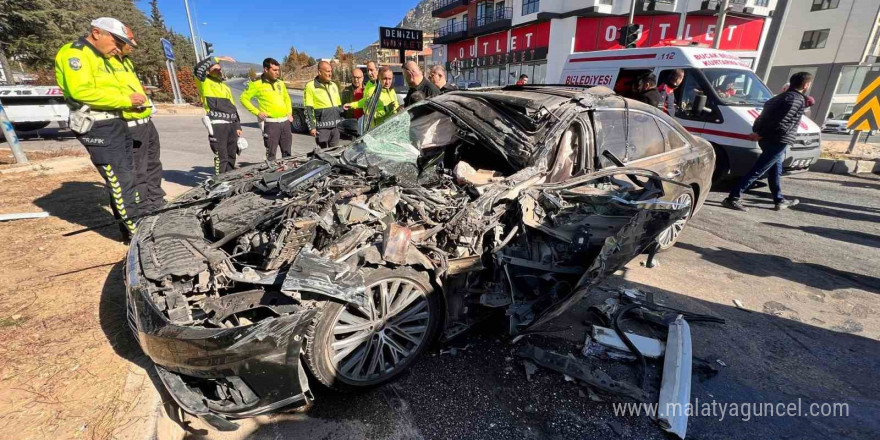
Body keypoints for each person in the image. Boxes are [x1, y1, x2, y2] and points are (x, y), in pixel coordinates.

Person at [55, 17, 145, 241]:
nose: (117, 47)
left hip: (116, 122)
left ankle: (130, 229)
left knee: (126, 177)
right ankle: (137, 234)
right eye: (115, 41)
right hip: (98, 124)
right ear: (97, 33)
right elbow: (81, 92)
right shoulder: (75, 53)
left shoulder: (102, 56)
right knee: (120, 180)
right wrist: (125, 99)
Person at [721, 72, 812, 212]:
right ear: (806, 85)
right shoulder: (796, 100)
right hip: (778, 139)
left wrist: (758, 132)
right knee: (758, 169)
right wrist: (760, 134)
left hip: (769, 138)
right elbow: (782, 122)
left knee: (775, 169)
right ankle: (733, 198)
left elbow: (762, 117)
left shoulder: (778, 98)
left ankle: (779, 199)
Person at [111, 26, 165, 212]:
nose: (133, 44)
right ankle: (141, 211)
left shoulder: (126, 62)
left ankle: (156, 204)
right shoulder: (105, 63)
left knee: (153, 166)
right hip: (128, 125)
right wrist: (126, 102)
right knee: (136, 172)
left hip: (145, 122)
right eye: (129, 40)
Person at [193, 55, 242, 174]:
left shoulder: (225, 87)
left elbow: (232, 108)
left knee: (231, 155)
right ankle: (218, 182)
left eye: (220, 69)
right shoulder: (203, 82)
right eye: (215, 69)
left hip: (231, 125)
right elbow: (197, 69)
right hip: (217, 124)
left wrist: (237, 125)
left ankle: (228, 181)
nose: (219, 71)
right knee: (222, 156)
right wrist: (217, 59)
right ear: (208, 71)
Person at [240, 58, 293, 161]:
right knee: (271, 154)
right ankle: (272, 174)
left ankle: (288, 174)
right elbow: (243, 99)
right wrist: (257, 112)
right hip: (271, 124)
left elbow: (287, 98)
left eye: (278, 70)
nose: (278, 73)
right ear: (266, 69)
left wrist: (289, 113)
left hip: (285, 122)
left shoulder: (280, 83)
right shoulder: (256, 84)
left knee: (288, 153)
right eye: (274, 70)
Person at [303, 60, 344, 149]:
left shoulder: (334, 85)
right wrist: (311, 127)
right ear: (319, 72)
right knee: (323, 155)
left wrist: (342, 121)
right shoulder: (310, 86)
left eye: (331, 71)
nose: (330, 74)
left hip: (335, 127)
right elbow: (308, 109)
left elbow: (339, 106)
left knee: (335, 153)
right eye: (328, 71)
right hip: (322, 128)